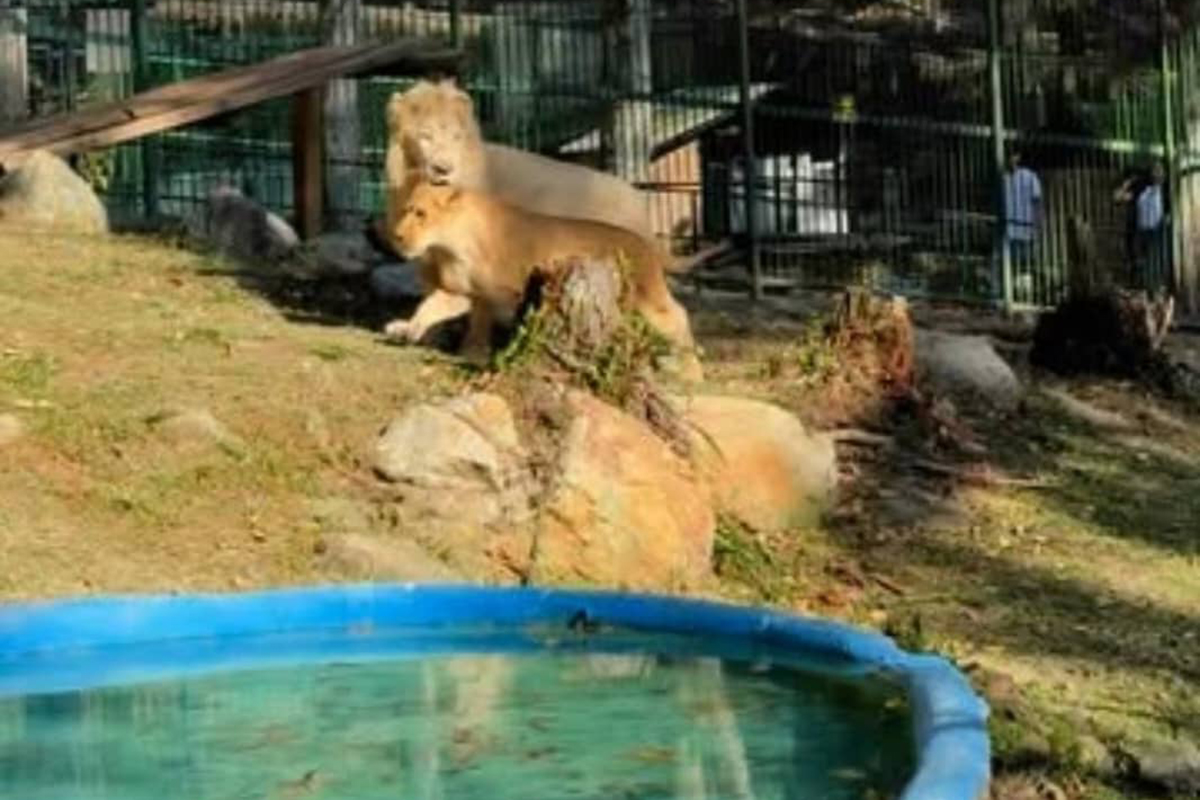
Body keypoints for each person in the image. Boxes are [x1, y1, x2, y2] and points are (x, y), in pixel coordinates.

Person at [1003, 149, 1042, 298]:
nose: (1010, 159)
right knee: (1009, 265)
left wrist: (1036, 226)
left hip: (1026, 228)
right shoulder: (1002, 178)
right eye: (1008, 156)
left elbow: (1037, 202)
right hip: (1007, 229)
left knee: (1025, 264)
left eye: (1013, 155)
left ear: (1018, 157)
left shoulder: (1030, 176)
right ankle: (1011, 296)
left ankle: (1025, 296)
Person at [1135, 161, 1168, 289]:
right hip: (1142, 231)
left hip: (1158, 231)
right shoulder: (1143, 190)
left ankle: (1156, 289)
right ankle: (1145, 289)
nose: (1156, 173)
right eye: (1154, 170)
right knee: (1143, 262)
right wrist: (1130, 182)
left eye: (1159, 170)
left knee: (1157, 263)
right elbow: (1117, 197)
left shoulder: (1166, 190)